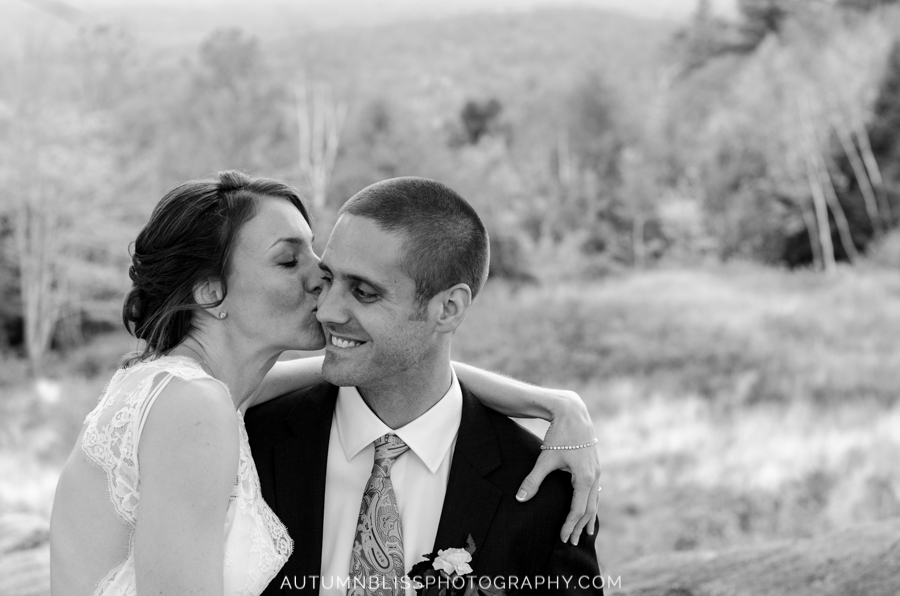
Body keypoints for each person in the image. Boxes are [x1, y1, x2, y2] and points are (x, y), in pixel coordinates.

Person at [49, 171, 600, 596]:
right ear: (211, 291)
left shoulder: (202, 391)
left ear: (448, 308)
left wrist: (553, 403)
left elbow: (374, 361)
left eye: (327, 264)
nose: (321, 283)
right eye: (291, 261)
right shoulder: (195, 409)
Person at [246, 177, 603, 596]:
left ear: (448, 309)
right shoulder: (249, 441)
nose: (325, 310)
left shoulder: (543, 492)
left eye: (363, 292)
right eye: (328, 279)